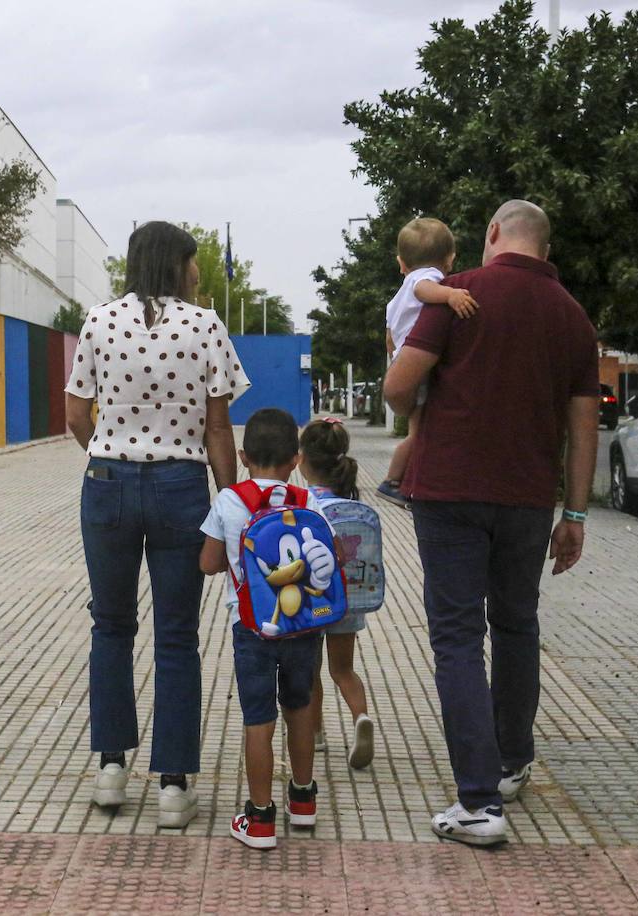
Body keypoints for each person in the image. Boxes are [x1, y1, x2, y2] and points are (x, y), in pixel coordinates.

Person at [384, 200, 599, 846]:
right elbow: (584, 425)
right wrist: (577, 513)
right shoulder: (573, 317)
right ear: (545, 242)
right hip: (531, 499)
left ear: (494, 235)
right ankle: (511, 761)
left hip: (450, 492)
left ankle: (477, 804)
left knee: (456, 637)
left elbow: (398, 388)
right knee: (516, 624)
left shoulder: (457, 294)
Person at [65, 221, 248, 829]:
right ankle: (173, 784)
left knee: (111, 627)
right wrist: (231, 505)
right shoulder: (205, 326)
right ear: (175, 265)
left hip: (108, 484)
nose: (198, 272)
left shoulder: (98, 320)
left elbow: (74, 412)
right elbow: (219, 429)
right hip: (179, 486)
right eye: (193, 262)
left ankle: (111, 769)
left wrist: (109, 452)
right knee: (176, 635)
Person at [199, 408, 325, 850]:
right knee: (300, 708)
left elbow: (209, 563)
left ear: (243, 456)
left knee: (259, 721)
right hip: (302, 629)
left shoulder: (229, 502)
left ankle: (260, 818)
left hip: (252, 630)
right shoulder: (308, 503)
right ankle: (304, 800)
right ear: (295, 459)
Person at [375, 217, 479, 509]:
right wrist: (451, 295)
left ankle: (402, 479)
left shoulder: (399, 294)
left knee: (416, 429)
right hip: (417, 369)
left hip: (401, 364)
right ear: (450, 259)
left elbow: (389, 338)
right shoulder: (426, 278)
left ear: (400, 262)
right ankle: (392, 482)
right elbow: (425, 289)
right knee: (419, 434)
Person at [298, 418, 379, 769]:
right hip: (349, 603)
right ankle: (360, 716)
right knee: (343, 670)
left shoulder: (304, 505)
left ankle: (314, 736)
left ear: (301, 460)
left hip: (316, 605)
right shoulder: (351, 503)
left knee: (311, 670)